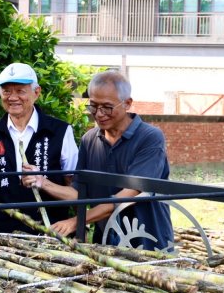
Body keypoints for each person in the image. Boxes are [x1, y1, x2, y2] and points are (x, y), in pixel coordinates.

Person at [35, 70, 173, 251]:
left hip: (148, 241)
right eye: (93, 106)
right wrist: (43, 183)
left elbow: (129, 195)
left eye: (107, 107)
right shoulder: (89, 139)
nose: (99, 114)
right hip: (106, 240)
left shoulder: (150, 138)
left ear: (127, 103)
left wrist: (76, 221)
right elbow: (80, 194)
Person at [0, 62, 79, 234]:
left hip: (51, 235)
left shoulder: (60, 131)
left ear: (37, 92)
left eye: (20, 91)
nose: (12, 97)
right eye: (6, 91)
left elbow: (77, 194)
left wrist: (43, 183)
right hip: (3, 237)